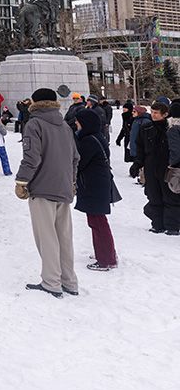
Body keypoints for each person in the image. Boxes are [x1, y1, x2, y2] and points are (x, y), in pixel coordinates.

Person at [16, 88, 80, 299]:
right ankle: (69, 281)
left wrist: (22, 181)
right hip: (63, 186)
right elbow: (74, 158)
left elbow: (32, 157)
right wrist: (71, 181)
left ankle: (52, 281)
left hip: (42, 188)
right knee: (64, 236)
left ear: (35, 102)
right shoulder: (64, 125)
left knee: (47, 237)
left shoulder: (34, 124)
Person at [73, 108, 118, 270]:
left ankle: (106, 259)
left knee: (98, 222)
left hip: (93, 186)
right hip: (97, 184)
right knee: (97, 222)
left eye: (78, 122)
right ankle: (105, 252)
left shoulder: (88, 141)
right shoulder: (95, 136)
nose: (76, 124)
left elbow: (79, 162)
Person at [133, 100, 180, 234]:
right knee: (154, 196)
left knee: (170, 197)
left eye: (156, 113)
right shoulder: (146, 128)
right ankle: (158, 224)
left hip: (168, 167)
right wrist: (137, 163)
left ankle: (172, 226)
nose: (153, 115)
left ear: (165, 114)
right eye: (152, 112)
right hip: (151, 166)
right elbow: (140, 148)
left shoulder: (171, 128)